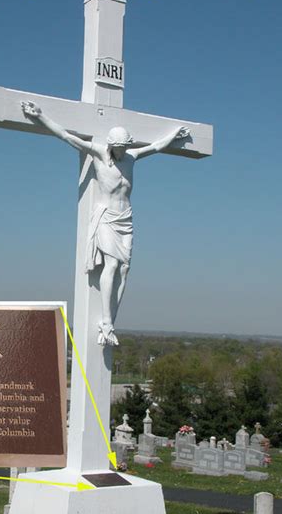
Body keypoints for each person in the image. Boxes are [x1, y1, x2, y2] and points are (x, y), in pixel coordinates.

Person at [21, 100, 190, 346]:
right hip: (107, 218)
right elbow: (67, 137)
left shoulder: (132, 157)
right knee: (111, 265)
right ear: (111, 145)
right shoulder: (99, 153)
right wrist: (40, 116)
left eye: (124, 148)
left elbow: (156, 146)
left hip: (126, 218)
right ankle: (106, 321)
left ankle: (111, 321)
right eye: (118, 148)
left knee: (125, 269)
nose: (121, 152)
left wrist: (174, 134)